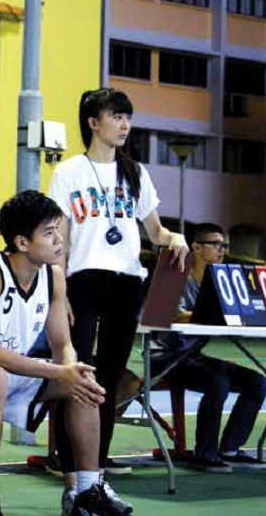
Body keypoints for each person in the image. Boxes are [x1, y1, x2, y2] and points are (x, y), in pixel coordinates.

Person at [0, 190, 132, 516]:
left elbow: (62, 344)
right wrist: (59, 372)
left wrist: (71, 369)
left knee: (83, 380)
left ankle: (88, 487)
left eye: (58, 229)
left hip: (10, 371)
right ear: (22, 242)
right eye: (48, 232)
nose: (59, 239)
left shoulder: (53, 275)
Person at [46, 88, 188, 476]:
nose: (125, 124)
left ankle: (97, 458)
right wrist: (59, 292)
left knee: (110, 375)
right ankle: (65, 458)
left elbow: (155, 231)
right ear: (93, 122)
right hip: (83, 281)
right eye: (116, 116)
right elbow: (59, 238)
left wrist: (175, 239)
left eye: (127, 117)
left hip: (126, 283)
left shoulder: (135, 172)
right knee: (76, 372)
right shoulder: (69, 171)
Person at [149, 222, 266, 472]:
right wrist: (210, 314)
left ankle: (230, 449)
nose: (222, 250)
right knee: (218, 382)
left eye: (224, 245)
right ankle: (204, 453)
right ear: (195, 247)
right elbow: (162, 315)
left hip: (193, 356)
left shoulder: (218, 280)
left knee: (257, 383)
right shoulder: (172, 275)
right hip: (164, 359)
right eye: (216, 244)